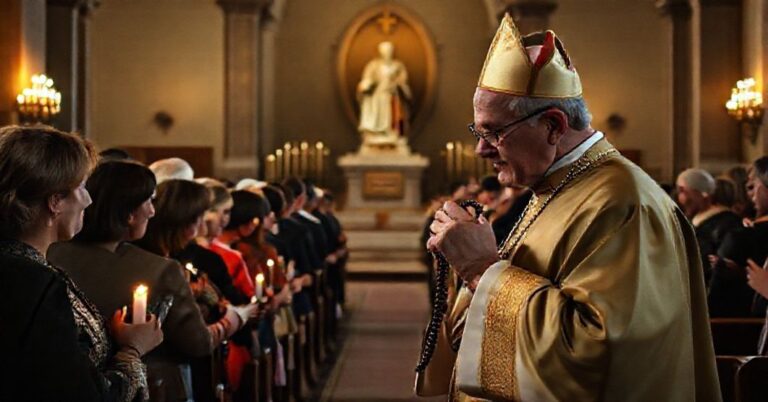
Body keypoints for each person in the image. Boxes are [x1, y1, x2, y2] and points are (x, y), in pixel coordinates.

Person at [418, 16, 719, 400]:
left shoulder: (623, 201)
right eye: (478, 132)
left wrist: (481, 270)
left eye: (494, 132)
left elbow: (596, 352)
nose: (481, 149)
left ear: (554, 126)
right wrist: (462, 261)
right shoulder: (556, 186)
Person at [0, 125, 162, 401]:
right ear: (55, 201)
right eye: (81, 187)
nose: (88, 200)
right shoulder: (34, 283)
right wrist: (132, 350)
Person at [131, 178, 254, 401]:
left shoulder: (169, 255)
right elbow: (197, 340)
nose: (203, 227)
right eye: (198, 218)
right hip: (166, 371)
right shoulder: (160, 265)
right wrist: (234, 319)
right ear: (183, 220)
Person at [710, 157, 768, 317]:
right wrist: (743, 275)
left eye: (754, 185)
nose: (750, 193)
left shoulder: (741, 237)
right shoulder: (743, 230)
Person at [675, 168, 742, 284]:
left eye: (683, 191)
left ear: (702, 193)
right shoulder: (690, 220)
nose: (681, 199)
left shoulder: (726, 222)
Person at [357, 41, 412, 146]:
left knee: (393, 114)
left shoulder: (398, 66)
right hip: (377, 95)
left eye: (389, 50)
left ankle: (390, 132)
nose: (387, 53)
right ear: (380, 52)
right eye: (385, 50)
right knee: (375, 111)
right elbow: (367, 78)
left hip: (391, 95)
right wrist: (366, 84)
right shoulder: (373, 65)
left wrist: (397, 83)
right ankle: (376, 133)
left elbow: (403, 81)